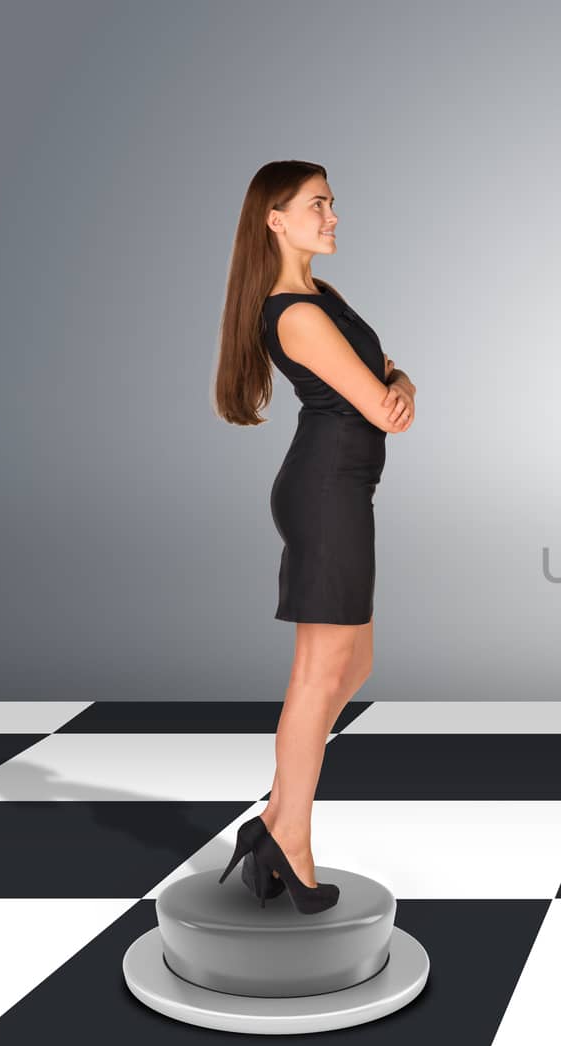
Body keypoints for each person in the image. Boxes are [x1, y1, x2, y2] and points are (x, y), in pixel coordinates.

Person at [211, 160, 418, 914]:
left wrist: (398, 385)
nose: (333, 217)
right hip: (326, 494)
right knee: (317, 673)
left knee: (351, 662)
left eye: (331, 204)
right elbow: (387, 400)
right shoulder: (294, 313)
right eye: (319, 205)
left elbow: (396, 374)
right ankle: (288, 834)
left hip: (342, 492)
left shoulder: (320, 296)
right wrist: (396, 390)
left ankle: (275, 819)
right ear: (277, 218)